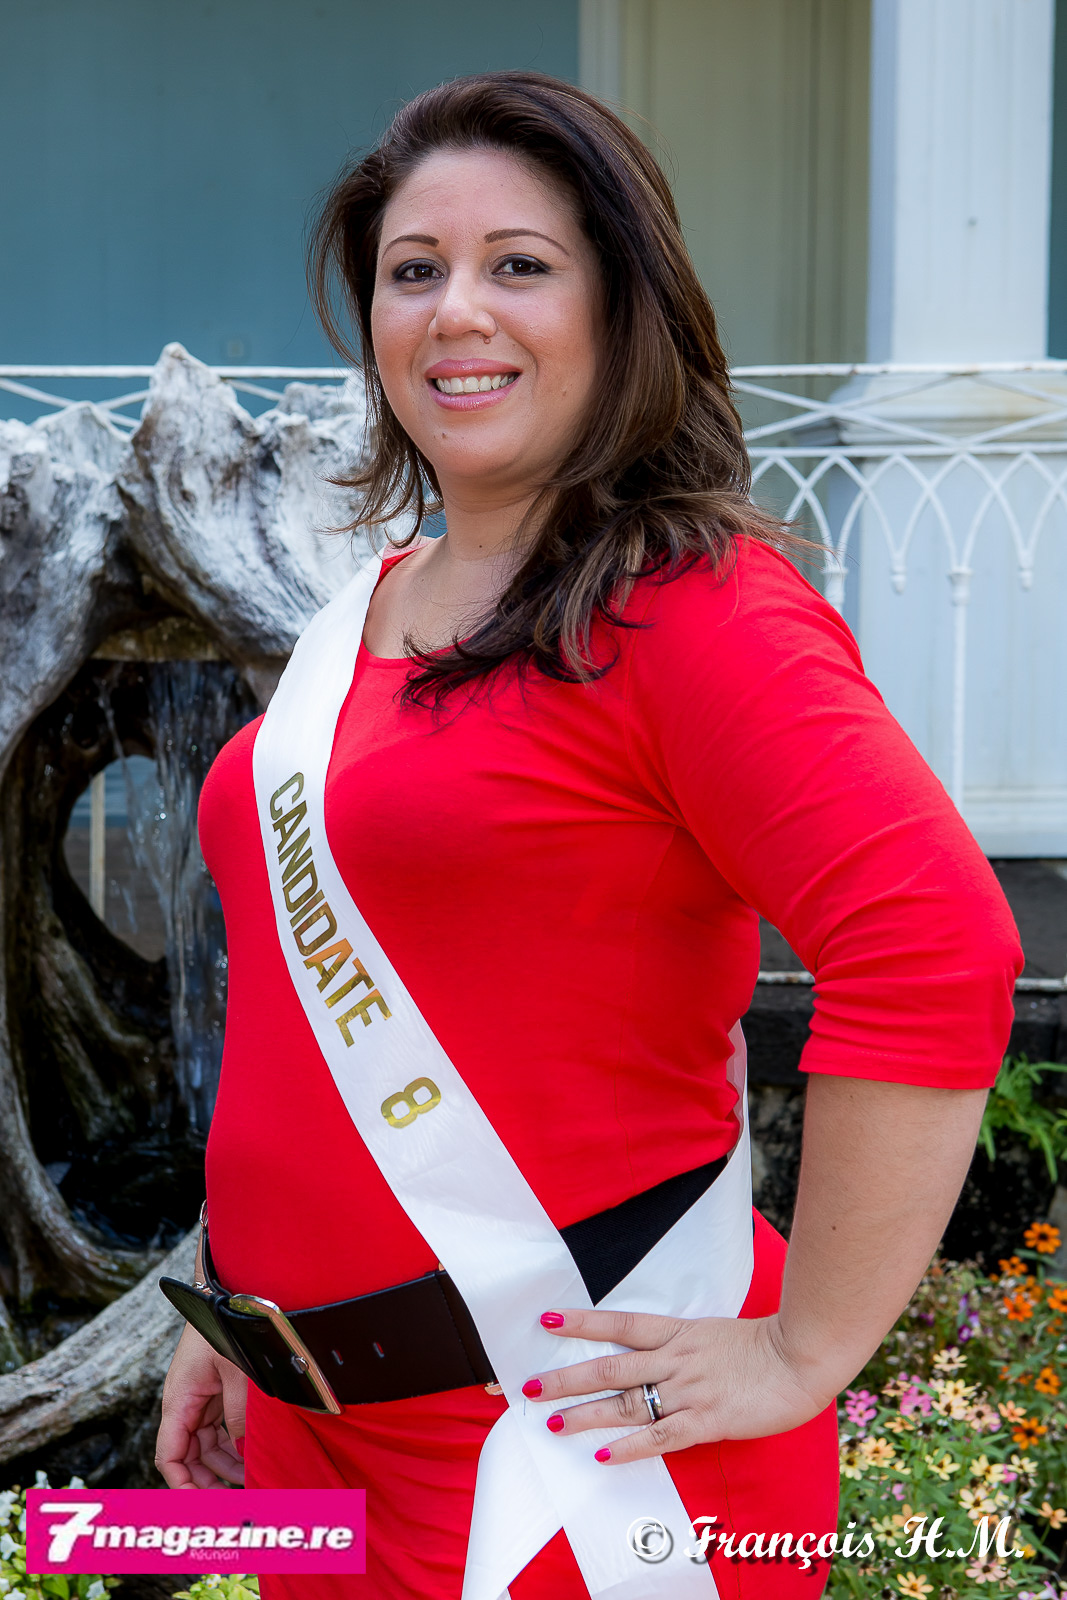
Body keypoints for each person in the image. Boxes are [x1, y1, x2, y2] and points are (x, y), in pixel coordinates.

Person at [155, 71, 1023, 1600]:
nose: (455, 311)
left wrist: (807, 1350)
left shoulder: (694, 614)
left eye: (520, 264)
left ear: (623, 308)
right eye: (413, 271)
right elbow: (315, 992)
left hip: (579, 1457)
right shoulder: (369, 608)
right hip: (312, 1438)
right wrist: (236, 1306)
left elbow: (934, 949)